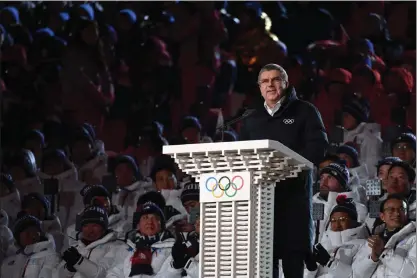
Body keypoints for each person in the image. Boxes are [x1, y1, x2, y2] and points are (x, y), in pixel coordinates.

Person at [240, 63, 328, 278]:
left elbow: (318, 147)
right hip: (261, 206)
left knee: (292, 266)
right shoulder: (252, 118)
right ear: (259, 87)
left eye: (275, 79)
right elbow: (242, 155)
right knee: (264, 269)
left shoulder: (305, 111)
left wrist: (287, 166)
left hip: (293, 203)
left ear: (286, 84)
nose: (270, 85)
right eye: (265, 81)